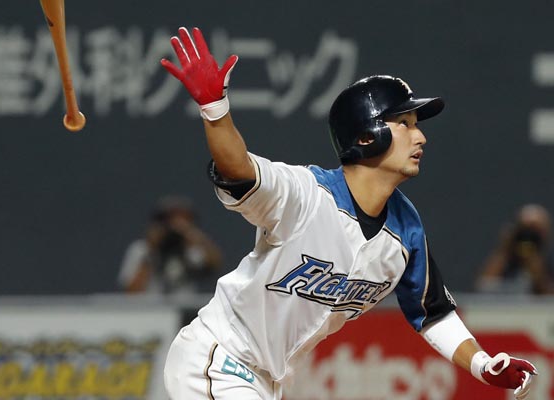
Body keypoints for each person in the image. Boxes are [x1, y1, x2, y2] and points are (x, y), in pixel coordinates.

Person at [159, 27, 537, 400]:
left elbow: (432, 312)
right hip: (219, 357)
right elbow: (238, 170)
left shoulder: (406, 229)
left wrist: (482, 365)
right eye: (404, 124)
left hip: (267, 381)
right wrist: (216, 110)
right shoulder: (306, 195)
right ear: (368, 135)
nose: (420, 136)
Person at [117, 195, 223, 294]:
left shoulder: (191, 249)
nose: (176, 226)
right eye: (171, 219)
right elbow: (131, 291)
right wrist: (151, 251)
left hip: (185, 306)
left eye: (184, 221)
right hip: (150, 306)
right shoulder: (142, 249)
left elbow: (215, 265)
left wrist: (198, 239)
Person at [476, 203, 554, 295]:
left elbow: (549, 295)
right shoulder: (505, 259)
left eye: (535, 230)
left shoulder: (549, 260)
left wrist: (535, 265)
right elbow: (484, 285)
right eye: (525, 229)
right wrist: (504, 249)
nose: (529, 235)